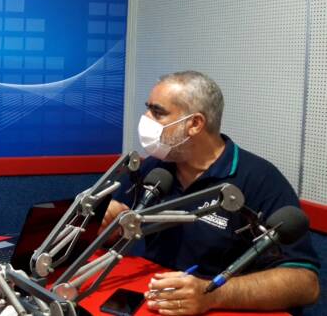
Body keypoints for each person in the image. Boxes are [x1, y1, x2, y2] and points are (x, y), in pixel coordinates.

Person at [101, 71, 320, 315]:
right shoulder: (155, 169)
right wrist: (108, 226)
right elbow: (116, 235)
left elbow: (305, 284)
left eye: (157, 112)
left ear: (195, 124)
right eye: (147, 109)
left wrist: (213, 294)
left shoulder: (259, 179)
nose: (146, 119)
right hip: (154, 300)